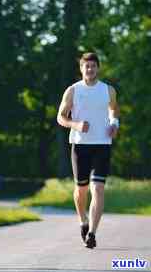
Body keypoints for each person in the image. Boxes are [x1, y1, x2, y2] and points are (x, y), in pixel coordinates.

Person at [57, 52, 120, 249]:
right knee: (81, 190)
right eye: (87, 66)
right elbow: (60, 117)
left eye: (93, 66)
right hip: (80, 145)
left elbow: (114, 109)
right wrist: (75, 125)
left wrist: (114, 124)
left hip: (102, 145)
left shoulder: (108, 90)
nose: (90, 69)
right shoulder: (73, 90)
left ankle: (92, 233)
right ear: (81, 69)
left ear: (98, 68)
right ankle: (82, 220)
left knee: (98, 188)